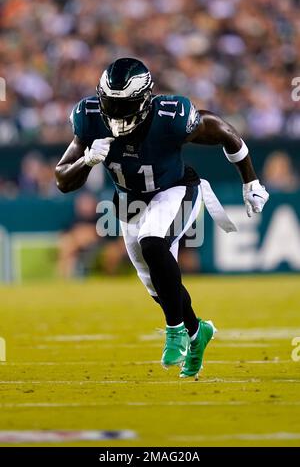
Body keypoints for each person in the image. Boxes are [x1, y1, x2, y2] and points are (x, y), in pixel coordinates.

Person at [55, 58, 269, 379]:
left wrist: (250, 181)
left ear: (144, 100)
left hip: (177, 189)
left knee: (153, 242)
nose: (114, 113)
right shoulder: (88, 119)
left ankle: (174, 331)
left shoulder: (171, 117)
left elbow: (226, 133)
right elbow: (62, 180)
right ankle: (198, 334)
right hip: (129, 203)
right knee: (161, 288)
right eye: (109, 104)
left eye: (123, 105)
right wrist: (86, 161)